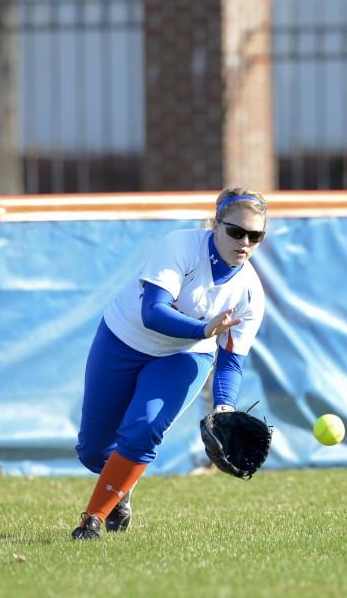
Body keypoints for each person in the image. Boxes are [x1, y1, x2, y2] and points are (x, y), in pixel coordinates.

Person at [70, 187, 268, 540]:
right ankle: (121, 490)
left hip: (184, 356)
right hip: (124, 338)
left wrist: (224, 408)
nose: (245, 242)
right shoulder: (181, 246)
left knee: (144, 428)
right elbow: (153, 313)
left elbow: (230, 361)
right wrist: (204, 328)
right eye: (236, 231)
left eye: (255, 235)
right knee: (93, 451)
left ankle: (92, 521)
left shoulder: (250, 291)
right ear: (215, 224)